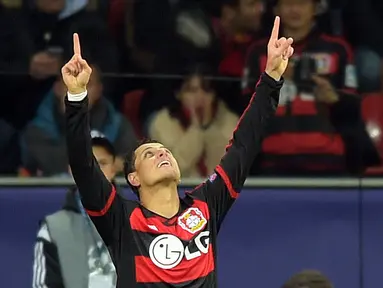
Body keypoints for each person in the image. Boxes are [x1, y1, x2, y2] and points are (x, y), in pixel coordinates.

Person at [62, 16, 293, 287]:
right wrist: (77, 97)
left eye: (164, 151)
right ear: (133, 178)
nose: (162, 154)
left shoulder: (206, 205)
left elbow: (244, 145)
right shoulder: (121, 221)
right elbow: (83, 165)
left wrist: (272, 78)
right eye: (150, 154)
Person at [32, 135, 117, 288]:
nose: (95, 171)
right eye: (87, 164)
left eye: (102, 163)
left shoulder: (139, 221)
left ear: (113, 168)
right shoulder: (52, 229)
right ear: (72, 170)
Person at [148, 64, 239, 178]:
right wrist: (196, 128)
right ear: (178, 94)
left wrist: (207, 126)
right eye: (191, 90)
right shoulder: (162, 123)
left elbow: (228, 169)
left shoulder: (231, 121)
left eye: (206, 90)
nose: (200, 96)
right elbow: (175, 168)